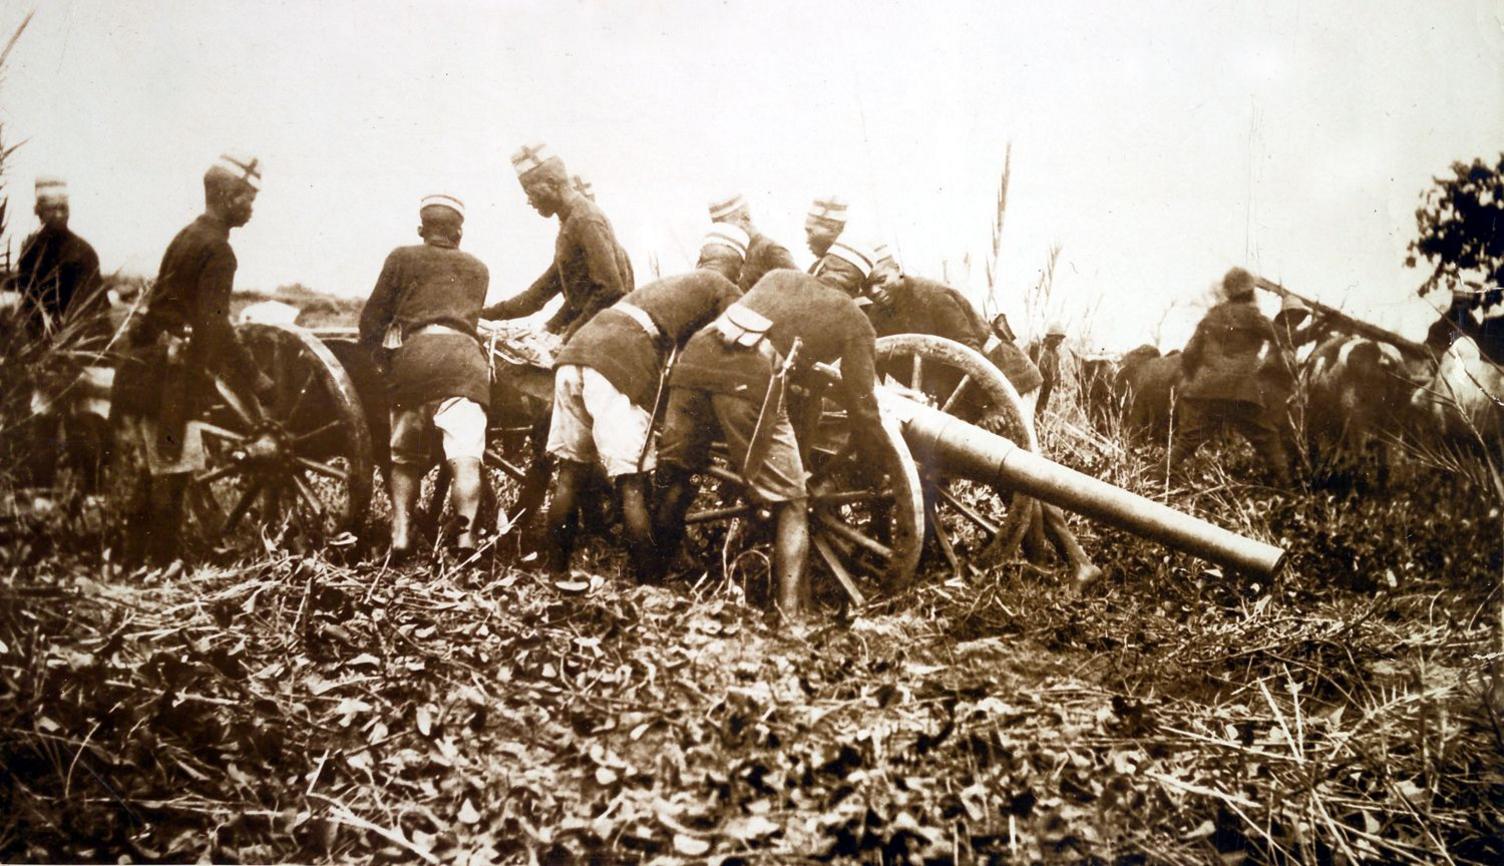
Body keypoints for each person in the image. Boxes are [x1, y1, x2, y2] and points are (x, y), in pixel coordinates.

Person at [655, 234, 886, 619]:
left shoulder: (777, 277)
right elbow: (862, 406)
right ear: (858, 285)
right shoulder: (854, 318)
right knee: (793, 502)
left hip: (694, 360)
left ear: (823, 265)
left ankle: (650, 590)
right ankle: (791, 616)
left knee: (677, 475)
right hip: (749, 377)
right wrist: (872, 462)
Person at [866, 248, 1100, 588]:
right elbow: (874, 360)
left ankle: (1068, 562)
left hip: (1006, 382)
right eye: (868, 286)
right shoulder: (880, 315)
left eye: (881, 281)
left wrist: (992, 408)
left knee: (1021, 472)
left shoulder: (933, 296)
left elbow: (971, 352)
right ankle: (1047, 562)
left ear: (898, 271)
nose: (875, 291)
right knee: (1008, 476)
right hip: (967, 396)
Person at [544, 225, 748, 581]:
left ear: (702, 258)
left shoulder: (671, 285)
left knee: (570, 474)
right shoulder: (726, 289)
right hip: (617, 362)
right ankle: (648, 588)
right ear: (739, 268)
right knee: (632, 483)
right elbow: (730, 347)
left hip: (576, 350)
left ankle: (556, 572)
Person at [111, 153, 275, 565]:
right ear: (223, 195)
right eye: (246, 197)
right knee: (172, 470)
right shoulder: (219, 251)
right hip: (172, 380)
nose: (251, 207)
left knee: (158, 470)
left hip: (151, 367)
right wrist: (256, 379)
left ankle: (137, 564)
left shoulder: (188, 236)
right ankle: (161, 567)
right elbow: (215, 325)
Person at [358, 194, 490, 559]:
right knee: (466, 457)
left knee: (404, 458)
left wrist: (378, 360)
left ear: (422, 229)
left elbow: (372, 319)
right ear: (459, 232)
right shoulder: (479, 268)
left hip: (415, 361)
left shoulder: (402, 257)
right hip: (465, 361)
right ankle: (465, 539)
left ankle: (400, 534)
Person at [481, 143, 633, 342]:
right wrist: (484, 314)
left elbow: (611, 290)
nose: (529, 200)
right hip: (596, 333)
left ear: (552, 183)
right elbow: (537, 296)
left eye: (530, 192)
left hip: (610, 338)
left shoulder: (586, 220)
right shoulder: (570, 224)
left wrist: (567, 336)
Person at [1170, 267, 1292, 487]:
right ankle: (1290, 489)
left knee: (1186, 442)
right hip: (1240, 392)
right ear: (1250, 291)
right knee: (1268, 440)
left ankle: (1157, 478)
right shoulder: (1253, 316)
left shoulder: (1211, 316)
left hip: (1204, 390)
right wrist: (1321, 326)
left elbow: (1189, 353)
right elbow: (1286, 338)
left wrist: (1196, 378)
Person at [10, 177, 103, 338]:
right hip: (35, 341)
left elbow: (95, 310)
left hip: (75, 342)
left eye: (64, 208)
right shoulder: (30, 250)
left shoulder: (82, 252)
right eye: (52, 209)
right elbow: (27, 300)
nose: (60, 215)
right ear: (37, 211)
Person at [708, 193, 797, 292]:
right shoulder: (731, 254)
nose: (722, 230)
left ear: (745, 217)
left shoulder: (770, 250)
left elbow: (800, 289)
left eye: (725, 224)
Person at [1032, 320, 1068, 417]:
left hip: (1047, 388)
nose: (1059, 342)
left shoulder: (1056, 354)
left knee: (1041, 411)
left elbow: (1056, 372)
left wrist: (1060, 384)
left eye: (1061, 339)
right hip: (1037, 387)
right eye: (1057, 338)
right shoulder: (1039, 350)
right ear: (1049, 337)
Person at [802, 195, 847, 268]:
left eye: (810, 232)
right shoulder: (821, 266)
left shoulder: (841, 267)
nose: (807, 240)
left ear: (833, 229)